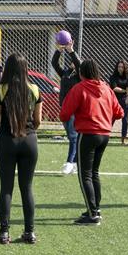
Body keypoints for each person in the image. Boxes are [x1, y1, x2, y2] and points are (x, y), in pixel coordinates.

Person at [0, 53, 42, 245]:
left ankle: (4, 233)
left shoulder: (1, 89)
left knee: (6, 188)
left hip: (7, 141)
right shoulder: (34, 88)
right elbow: (38, 120)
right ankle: (30, 232)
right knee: (27, 188)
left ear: (8, 69)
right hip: (29, 141)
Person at [59, 59, 124, 225]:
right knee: (94, 172)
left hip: (88, 133)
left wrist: (73, 119)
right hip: (104, 134)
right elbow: (119, 112)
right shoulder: (106, 88)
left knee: (84, 174)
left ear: (81, 73)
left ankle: (93, 214)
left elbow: (65, 113)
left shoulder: (79, 88)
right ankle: (95, 208)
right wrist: (107, 122)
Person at [51, 38, 81, 174]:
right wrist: (60, 50)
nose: (73, 64)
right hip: (64, 107)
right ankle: (75, 163)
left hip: (75, 109)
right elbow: (54, 63)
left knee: (73, 136)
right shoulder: (65, 73)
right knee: (71, 136)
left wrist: (71, 50)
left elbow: (79, 64)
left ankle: (69, 162)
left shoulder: (80, 76)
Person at [108, 60, 128, 145]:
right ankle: (105, 135)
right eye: (119, 67)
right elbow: (114, 88)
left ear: (125, 68)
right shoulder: (113, 77)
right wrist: (124, 90)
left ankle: (124, 138)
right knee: (112, 118)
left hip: (125, 100)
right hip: (115, 100)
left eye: (122, 67)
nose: (120, 68)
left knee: (125, 120)